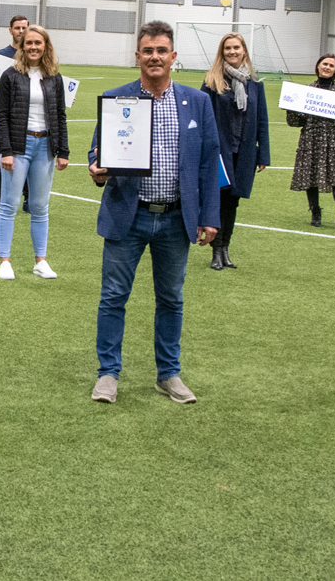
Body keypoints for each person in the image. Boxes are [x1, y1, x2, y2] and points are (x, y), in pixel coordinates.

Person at [87, 21, 221, 404]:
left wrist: (209, 216)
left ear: (173, 57)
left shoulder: (198, 102)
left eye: (162, 51)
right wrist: (97, 169)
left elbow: (209, 164)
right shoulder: (117, 99)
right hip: (128, 215)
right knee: (113, 296)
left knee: (172, 299)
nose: (155, 57)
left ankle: (169, 374)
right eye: (148, 51)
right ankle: (108, 374)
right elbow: (98, 154)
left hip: (177, 218)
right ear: (138, 57)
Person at [0, 24, 69, 279]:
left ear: (46, 46)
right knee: (9, 205)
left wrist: (63, 151)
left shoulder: (54, 77)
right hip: (18, 147)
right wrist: (6, 151)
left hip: (44, 148)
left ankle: (41, 261)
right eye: (29, 43)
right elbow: (1, 117)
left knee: (39, 206)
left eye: (39, 43)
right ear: (22, 46)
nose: (34, 47)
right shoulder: (10, 75)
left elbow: (60, 115)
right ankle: (5, 260)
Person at [201, 32, 270, 270]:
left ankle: (225, 249)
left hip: (244, 152)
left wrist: (264, 154)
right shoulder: (212, 81)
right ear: (222, 52)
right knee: (219, 199)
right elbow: (202, 119)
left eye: (236, 48)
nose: (232, 52)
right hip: (219, 152)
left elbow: (262, 120)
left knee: (234, 201)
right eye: (227, 48)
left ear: (244, 51)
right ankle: (216, 250)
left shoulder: (255, 84)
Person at [286, 53, 335, 232]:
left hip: (334, 142)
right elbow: (296, 122)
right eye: (325, 64)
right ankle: (315, 211)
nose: (327, 67)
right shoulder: (307, 90)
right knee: (310, 175)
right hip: (311, 139)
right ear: (318, 66)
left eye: (331, 65)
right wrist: (291, 107)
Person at [0, 14, 30, 214]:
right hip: (8, 114)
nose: (20, 31)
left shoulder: (35, 53)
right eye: (17, 28)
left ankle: (29, 198)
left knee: (31, 156)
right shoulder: (1, 55)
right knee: (1, 154)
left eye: (24, 28)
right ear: (10, 30)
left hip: (31, 114)